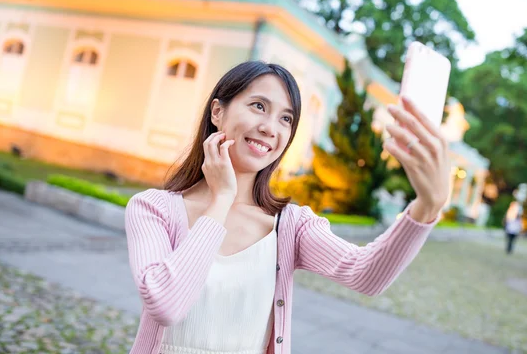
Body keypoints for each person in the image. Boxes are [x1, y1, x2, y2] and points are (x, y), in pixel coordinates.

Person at [124, 61, 451, 354]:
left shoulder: (290, 226)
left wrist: (426, 207)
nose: (270, 127)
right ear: (217, 112)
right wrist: (222, 199)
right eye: (258, 106)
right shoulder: (154, 210)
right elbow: (166, 304)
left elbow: (367, 276)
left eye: (286, 118)